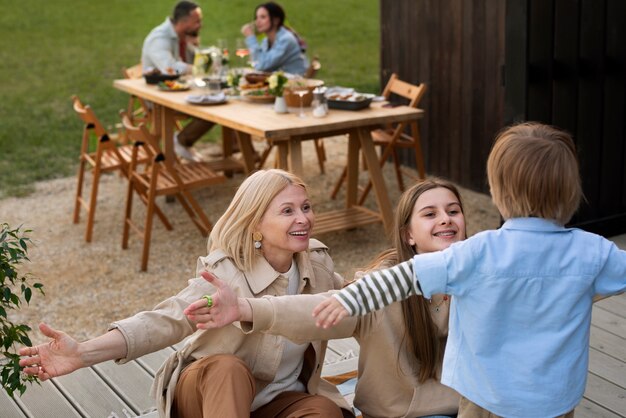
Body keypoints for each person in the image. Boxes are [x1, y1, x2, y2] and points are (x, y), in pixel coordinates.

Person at [313, 122, 626, 418]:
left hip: (486, 399)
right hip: (556, 400)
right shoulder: (593, 251)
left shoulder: (478, 251)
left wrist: (350, 299)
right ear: (572, 191)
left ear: (497, 191)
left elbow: (402, 277)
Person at [19, 169, 351, 418]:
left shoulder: (317, 264)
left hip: (276, 402)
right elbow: (166, 319)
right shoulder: (226, 273)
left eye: (306, 207)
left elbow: (353, 298)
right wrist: (83, 353)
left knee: (323, 410)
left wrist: (395, 277)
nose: (304, 219)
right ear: (255, 225)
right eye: (288, 211)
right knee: (228, 369)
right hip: (207, 396)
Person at [185, 178, 465, 418]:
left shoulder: (482, 274)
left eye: (453, 211)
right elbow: (322, 308)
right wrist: (247, 309)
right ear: (408, 235)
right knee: (228, 368)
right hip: (215, 393)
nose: (445, 218)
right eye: (430, 214)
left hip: (471, 408)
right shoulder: (380, 287)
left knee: (324, 410)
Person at [141, 0, 213, 162]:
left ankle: (235, 145)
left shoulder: (180, 36)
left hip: (178, 91)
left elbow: (190, 62)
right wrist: (199, 69)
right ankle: (181, 141)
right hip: (159, 99)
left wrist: (194, 48)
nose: (200, 25)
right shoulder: (159, 38)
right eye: (197, 21)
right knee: (212, 107)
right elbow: (170, 68)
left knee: (217, 99)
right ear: (184, 21)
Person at [241, 2, 309, 75]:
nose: (257, 21)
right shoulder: (266, 41)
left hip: (296, 82)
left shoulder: (286, 39)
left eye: (263, 17)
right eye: (256, 17)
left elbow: (263, 66)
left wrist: (251, 38)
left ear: (276, 20)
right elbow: (257, 64)